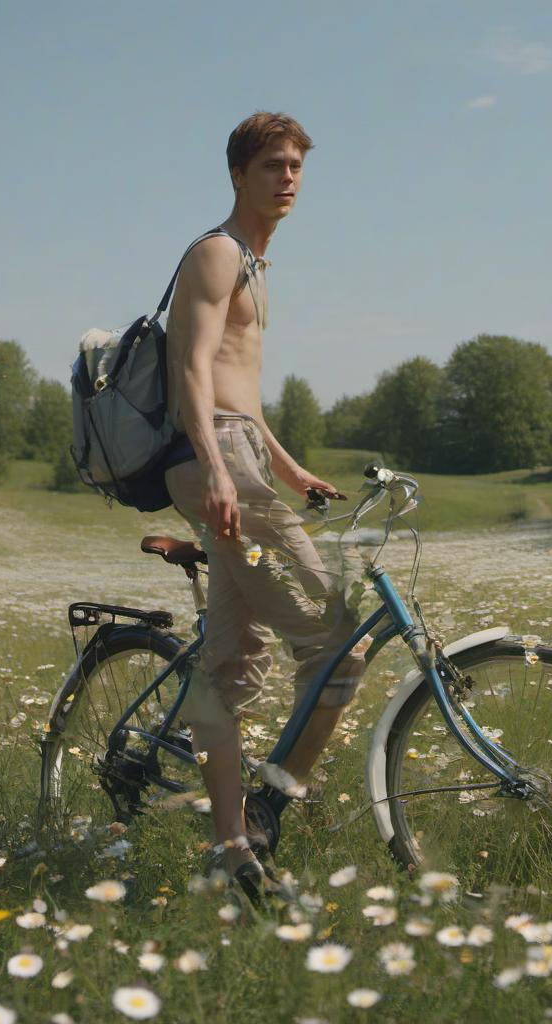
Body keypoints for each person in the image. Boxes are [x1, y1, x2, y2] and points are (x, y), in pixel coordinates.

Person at [163, 112, 367, 897]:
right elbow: (191, 372)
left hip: (233, 455)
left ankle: (229, 852)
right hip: (212, 462)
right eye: (273, 165)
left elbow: (241, 400)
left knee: (232, 659)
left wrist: (293, 471)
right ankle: (271, 803)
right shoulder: (216, 254)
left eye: (296, 166)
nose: (288, 177)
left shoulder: (255, 265)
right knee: (337, 637)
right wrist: (218, 470)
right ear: (239, 174)